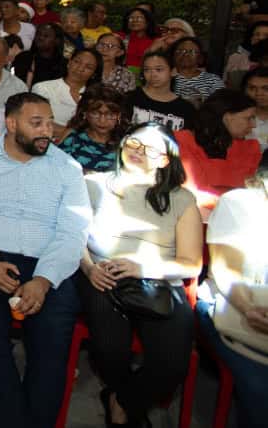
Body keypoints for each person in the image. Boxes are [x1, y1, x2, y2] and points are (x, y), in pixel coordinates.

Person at [0, 93, 90, 428]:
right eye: (36, 123)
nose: (47, 131)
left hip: (49, 263)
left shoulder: (67, 168)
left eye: (50, 122)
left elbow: (73, 232)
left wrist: (44, 279)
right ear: (10, 124)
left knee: (53, 340)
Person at [76, 122, 203, 427]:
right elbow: (73, 236)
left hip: (158, 280)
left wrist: (143, 267)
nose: (137, 152)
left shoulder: (181, 200)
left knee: (173, 365)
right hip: (102, 273)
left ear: (165, 159)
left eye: (149, 149)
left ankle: (122, 399)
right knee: (110, 350)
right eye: (133, 143)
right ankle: (123, 399)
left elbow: (190, 263)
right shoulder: (94, 184)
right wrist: (89, 267)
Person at [196, 163, 268, 428]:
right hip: (231, 306)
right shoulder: (239, 204)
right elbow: (227, 271)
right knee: (261, 388)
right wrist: (249, 309)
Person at [174, 89, 262, 212]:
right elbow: (194, 193)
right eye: (249, 118)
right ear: (226, 118)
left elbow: (256, 192)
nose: (254, 125)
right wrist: (241, 197)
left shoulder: (250, 148)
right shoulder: (182, 141)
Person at [58, 84, 133, 174]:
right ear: (85, 113)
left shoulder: (127, 141)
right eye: (95, 113)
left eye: (110, 115)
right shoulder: (72, 137)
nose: (102, 120)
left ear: (119, 115)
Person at [32, 47, 102, 138]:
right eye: (77, 62)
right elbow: (36, 122)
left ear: (94, 74)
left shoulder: (96, 97)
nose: (80, 68)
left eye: (88, 67)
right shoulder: (43, 88)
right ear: (69, 63)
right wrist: (75, 134)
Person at [127, 50, 198, 133]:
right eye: (147, 70)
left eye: (159, 69)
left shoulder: (186, 108)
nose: (153, 74)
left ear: (173, 71)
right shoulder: (131, 98)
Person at [170, 36, 225, 103]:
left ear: (200, 58)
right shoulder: (166, 78)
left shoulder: (213, 80)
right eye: (181, 51)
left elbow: (221, 105)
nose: (186, 54)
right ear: (173, 56)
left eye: (192, 51)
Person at [14, 23, 68, 88]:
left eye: (46, 36)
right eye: (38, 34)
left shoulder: (63, 64)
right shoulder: (23, 57)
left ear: (57, 40)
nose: (40, 38)